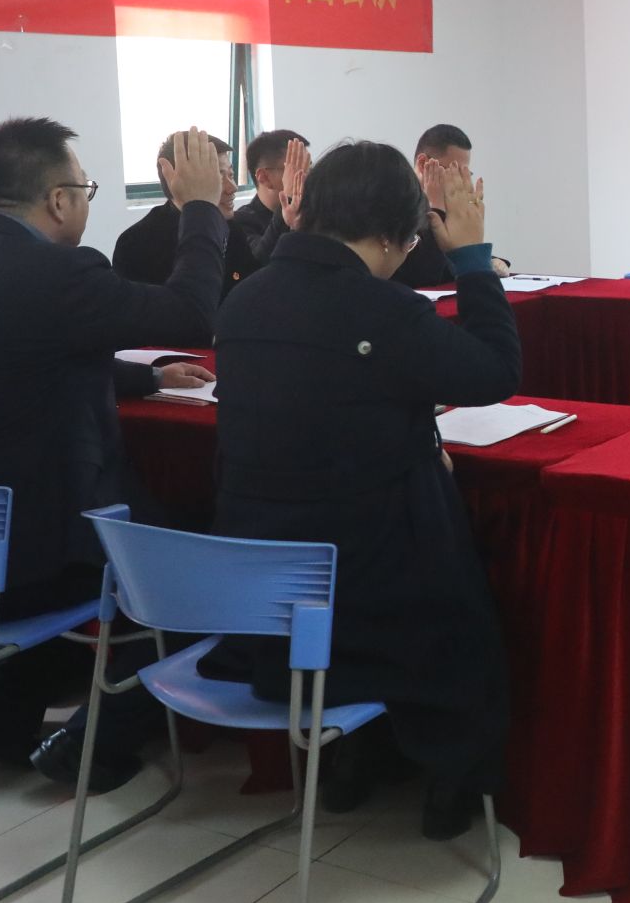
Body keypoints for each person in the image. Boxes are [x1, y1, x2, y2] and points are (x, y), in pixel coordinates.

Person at [0, 117, 226, 785]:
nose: (85, 202)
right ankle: (93, 739)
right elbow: (192, 313)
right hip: (20, 564)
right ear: (57, 200)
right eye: (85, 190)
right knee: (206, 564)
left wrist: (148, 378)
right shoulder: (57, 271)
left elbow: (26, 354)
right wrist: (198, 206)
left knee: (92, 512)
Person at [201, 141, 517, 840]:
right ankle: (452, 779)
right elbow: (495, 370)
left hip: (262, 593)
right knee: (467, 580)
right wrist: (472, 258)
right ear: (394, 234)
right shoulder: (385, 309)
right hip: (368, 584)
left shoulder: (243, 302)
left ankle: (355, 761)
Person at [113, 132, 263, 295]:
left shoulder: (231, 229)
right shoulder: (137, 244)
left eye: (231, 175)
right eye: (217, 177)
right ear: (174, 180)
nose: (233, 187)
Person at [391, 124, 512, 287]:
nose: (458, 180)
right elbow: (423, 274)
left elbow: (449, 257)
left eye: (463, 173)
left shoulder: (447, 202)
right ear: (423, 163)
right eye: (451, 170)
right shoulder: (395, 201)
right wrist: (436, 208)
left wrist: (490, 260)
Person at [228, 127, 308, 261]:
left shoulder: (312, 212)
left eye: (308, 167)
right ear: (264, 177)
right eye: (296, 169)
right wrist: (288, 198)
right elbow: (260, 261)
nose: (306, 176)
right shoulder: (241, 222)